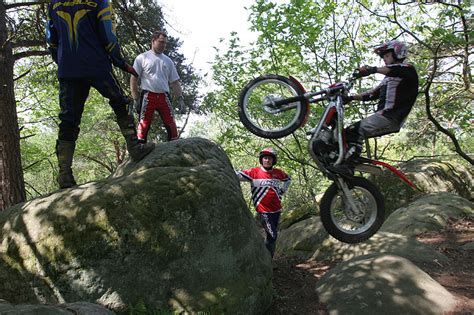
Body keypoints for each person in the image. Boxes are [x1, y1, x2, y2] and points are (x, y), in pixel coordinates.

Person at [46, 0, 154, 189]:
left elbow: (51, 40)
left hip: (68, 69)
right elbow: (108, 37)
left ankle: (65, 175)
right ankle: (135, 147)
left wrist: (64, 61)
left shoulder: (53, 3)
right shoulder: (99, 1)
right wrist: (121, 63)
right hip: (96, 65)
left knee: (68, 119)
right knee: (120, 101)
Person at [330, 39, 419, 176]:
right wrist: (350, 98)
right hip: (385, 116)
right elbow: (372, 94)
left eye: (386, 55)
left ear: (397, 53)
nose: (384, 58)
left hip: (391, 116)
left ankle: (349, 166)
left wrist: (372, 70)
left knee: (355, 130)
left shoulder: (407, 70)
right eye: (383, 56)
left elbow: (394, 70)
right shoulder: (389, 78)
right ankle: (340, 161)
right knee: (346, 134)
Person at [130, 31, 186, 143]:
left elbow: (175, 82)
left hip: (164, 97)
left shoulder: (168, 61)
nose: (163, 45)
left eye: (165, 43)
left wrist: (180, 98)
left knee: (172, 126)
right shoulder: (142, 58)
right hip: (148, 95)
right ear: (153, 41)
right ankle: (140, 151)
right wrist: (136, 98)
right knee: (143, 126)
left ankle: (173, 152)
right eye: (161, 42)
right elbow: (133, 78)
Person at [236, 148, 291, 258]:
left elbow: (288, 179)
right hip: (263, 212)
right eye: (265, 158)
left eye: (270, 158)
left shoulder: (278, 173)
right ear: (261, 160)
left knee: (272, 237)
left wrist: (282, 191)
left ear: (273, 160)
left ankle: (269, 260)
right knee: (273, 235)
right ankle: (264, 258)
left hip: (277, 210)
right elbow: (238, 175)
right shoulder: (254, 172)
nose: (267, 160)